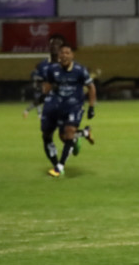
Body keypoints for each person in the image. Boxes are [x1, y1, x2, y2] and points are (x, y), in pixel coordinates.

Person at [41, 44, 96, 177]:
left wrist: (91, 107)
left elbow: (91, 87)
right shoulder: (52, 70)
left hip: (74, 106)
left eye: (67, 53)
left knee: (70, 131)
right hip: (57, 107)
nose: (64, 55)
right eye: (62, 53)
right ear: (59, 56)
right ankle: (84, 133)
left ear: (72, 55)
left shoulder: (80, 70)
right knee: (55, 136)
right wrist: (44, 97)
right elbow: (47, 86)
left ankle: (60, 167)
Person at [23, 34, 66, 119]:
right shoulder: (43, 65)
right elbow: (44, 86)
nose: (54, 47)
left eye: (57, 44)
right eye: (52, 44)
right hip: (49, 101)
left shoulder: (68, 64)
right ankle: (37, 113)